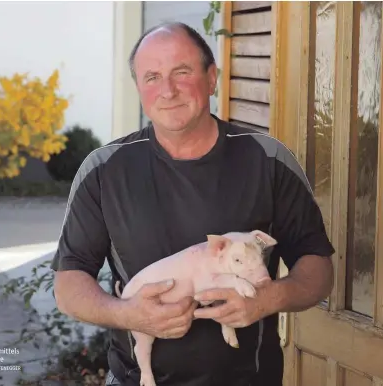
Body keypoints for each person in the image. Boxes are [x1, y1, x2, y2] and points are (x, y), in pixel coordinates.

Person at [50, 21, 334, 386]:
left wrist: (267, 299)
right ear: (138, 87)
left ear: (211, 78)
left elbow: (318, 269)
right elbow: (69, 284)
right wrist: (126, 313)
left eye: (181, 72)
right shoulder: (104, 170)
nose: (167, 90)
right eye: (151, 77)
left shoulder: (268, 160)